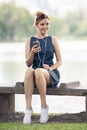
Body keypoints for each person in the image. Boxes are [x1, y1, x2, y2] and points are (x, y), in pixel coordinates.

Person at [23, 11, 62, 124]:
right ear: (36, 25)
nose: (45, 27)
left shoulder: (53, 39)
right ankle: (28, 109)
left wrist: (51, 68)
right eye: (42, 24)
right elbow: (27, 63)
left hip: (50, 74)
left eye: (47, 24)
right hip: (35, 74)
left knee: (39, 71)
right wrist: (32, 52)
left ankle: (44, 107)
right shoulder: (29, 41)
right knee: (29, 71)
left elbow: (60, 61)